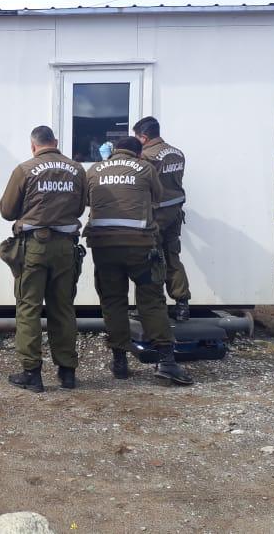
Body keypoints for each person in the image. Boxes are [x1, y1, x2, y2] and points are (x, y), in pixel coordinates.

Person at [83, 136, 193, 385]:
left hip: (104, 248)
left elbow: (88, 200)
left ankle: (120, 361)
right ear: (139, 151)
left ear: (113, 152)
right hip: (140, 247)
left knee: (113, 302)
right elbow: (158, 199)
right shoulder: (146, 168)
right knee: (151, 301)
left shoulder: (94, 170)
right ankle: (166, 362)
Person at [0, 125, 87, 392]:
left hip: (34, 247)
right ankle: (67, 373)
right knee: (63, 308)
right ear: (55, 142)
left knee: (29, 308)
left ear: (33, 146)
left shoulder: (24, 170)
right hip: (65, 247)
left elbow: (7, 210)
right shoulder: (77, 170)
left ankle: (32, 375)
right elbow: (81, 207)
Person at [135, 116, 192, 321]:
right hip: (175, 212)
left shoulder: (148, 156)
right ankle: (182, 304)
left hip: (157, 214)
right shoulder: (177, 153)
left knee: (153, 260)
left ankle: (153, 308)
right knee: (172, 256)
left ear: (143, 137)